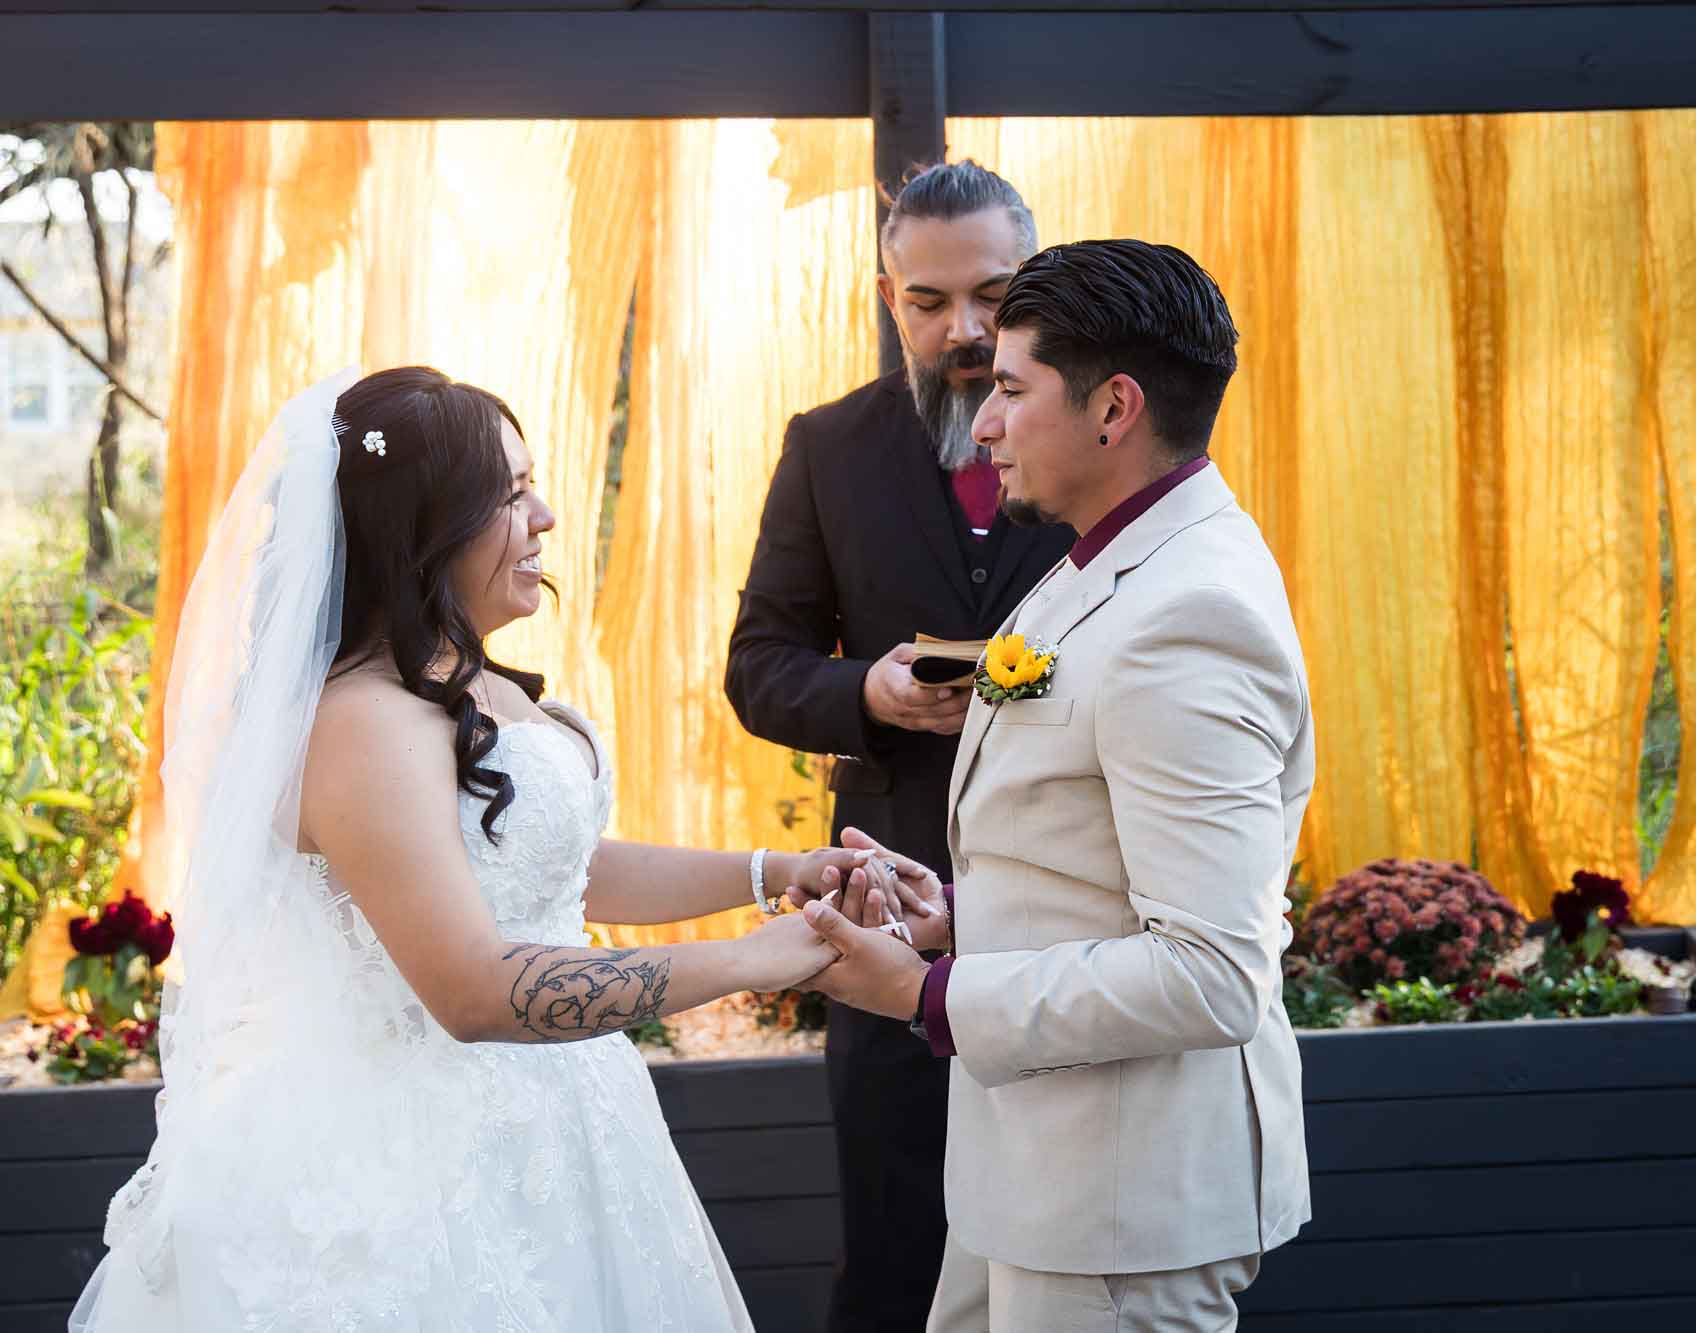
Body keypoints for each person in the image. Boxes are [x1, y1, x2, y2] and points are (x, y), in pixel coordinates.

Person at [70, 365, 885, 1332]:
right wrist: (750, 961)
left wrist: (775, 874)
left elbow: (556, 865)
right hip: (423, 1169)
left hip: (568, 1115)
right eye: (507, 495)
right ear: (422, 528)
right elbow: (468, 987)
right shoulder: (363, 723)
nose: (543, 516)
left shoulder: (473, 686)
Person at [798, 240, 1315, 1332]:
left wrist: (924, 996)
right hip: (1033, 1180)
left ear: (1112, 408)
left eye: (1010, 390)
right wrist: (956, 920)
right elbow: (1094, 868)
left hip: (1121, 1214)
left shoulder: (1188, 614)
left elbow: (1212, 971)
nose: (981, 425)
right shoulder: (1099, 561)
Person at [724, 160, 1071, 1331]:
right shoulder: (826, 447)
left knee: (1062, 1242)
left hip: (1072, 910)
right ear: (887, 297)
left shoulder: (1106, 438)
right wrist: (862, 693)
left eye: (992, 293)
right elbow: (758, 664)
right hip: (883, 910)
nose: (962, 329)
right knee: (891, 1246)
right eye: (927, 303)